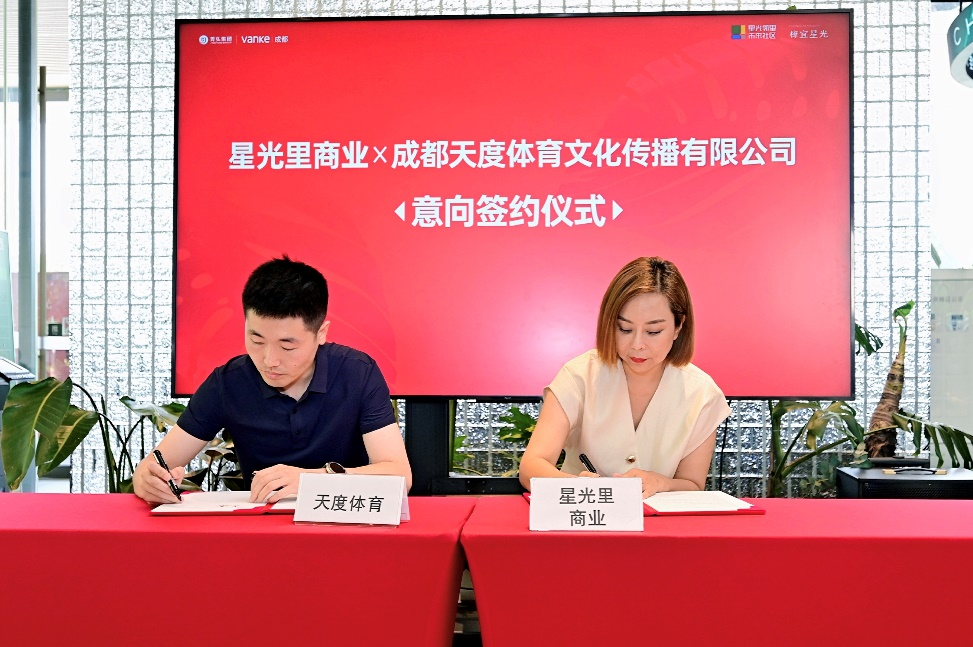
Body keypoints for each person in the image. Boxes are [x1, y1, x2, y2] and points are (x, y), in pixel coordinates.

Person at [133, 256, 411, 504]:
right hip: (260, 529)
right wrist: (149, 481)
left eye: (287, 346)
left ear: (321, 333)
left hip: (342, 523)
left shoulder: (357, 372)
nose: (269, 360)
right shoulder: (227, 383)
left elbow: (400, 476)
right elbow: (154, 467)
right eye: (256, 340)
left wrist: (312, 480)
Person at [518, 256, 730, 497]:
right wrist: (576, 486)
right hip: (586, 514)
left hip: (657, 519)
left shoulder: (702, 393)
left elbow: (692, 484)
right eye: (625, 329)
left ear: (678, 326)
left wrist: (661, 482)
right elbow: (532, 465)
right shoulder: (579, 375)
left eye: (653, 331)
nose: (637, 344)